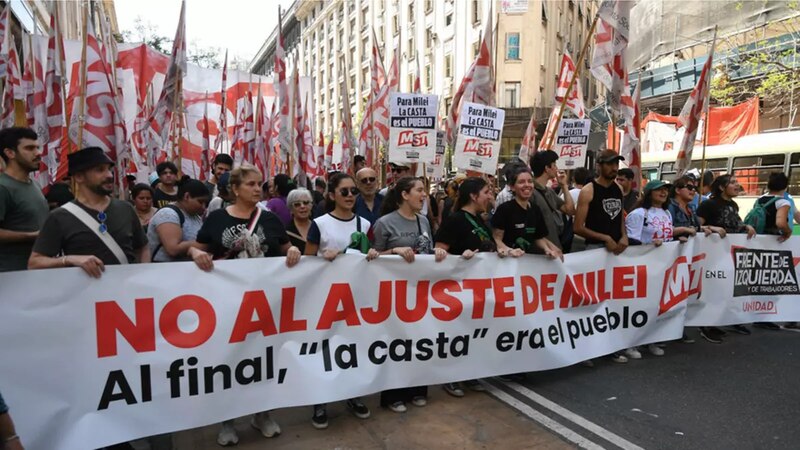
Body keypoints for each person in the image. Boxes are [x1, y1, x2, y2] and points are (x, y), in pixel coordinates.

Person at [188, 164, 300, 446]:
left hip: (265, 303)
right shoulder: (215, 219)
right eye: (250, 184)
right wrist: (193, 252)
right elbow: (199, 248)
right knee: (230, 360)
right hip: (227, 303)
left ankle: (262, 413)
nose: (256, 188)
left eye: (259, 183)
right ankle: (227, 420)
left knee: (264, 360)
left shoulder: (271, 219)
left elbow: (285, 247)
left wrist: (294, 250)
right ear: (235, 189)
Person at [304, 172, 375, 429]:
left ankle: (352, 395)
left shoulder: (365, 225)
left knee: (353, 349)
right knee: (324, 351)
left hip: (355, 299)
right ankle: (320, 402)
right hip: (325, 299)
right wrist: (323, 258)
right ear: (332, 195)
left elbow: (367, 257)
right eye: (343, 191)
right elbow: (306, 263)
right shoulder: (320, 224)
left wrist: (374, 254)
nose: (349, 196)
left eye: (353, 191)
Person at [372, 177, 447, 413]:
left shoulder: (423, 220)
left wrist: (437, 252)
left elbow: (425, 249)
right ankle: (394, 394)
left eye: (424, 191)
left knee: (420, 340)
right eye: (419, 190)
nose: (424, 195)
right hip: (394, 294)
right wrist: (393, 251)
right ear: (404, 195)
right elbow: (371, 257)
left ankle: (418, 389)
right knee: (396, 343)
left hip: (420, 293)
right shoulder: (385, 223)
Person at [29, 147, 150, 277]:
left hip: (125, 293)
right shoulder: (59, 216)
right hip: (84, 294)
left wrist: (143, 275)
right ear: (79, 177)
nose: (109, 175)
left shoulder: (126, 209)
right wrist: (69, 259)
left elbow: (142, 247)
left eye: (109, 169)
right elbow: (35, 263)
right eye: (100, 170)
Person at [435, 177, 496, 396]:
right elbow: (440, 251)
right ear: (473, 196)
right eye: (487, 192)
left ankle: (469, 373)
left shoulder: (480, 220)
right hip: (457, 289)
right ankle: (450, 377)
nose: (490, 196)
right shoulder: (456, 220)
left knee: (473, 332)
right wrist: (460, 258)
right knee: (455, 333)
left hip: (478, 288)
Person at [574, 149, 629, 363]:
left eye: (616, 164)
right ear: (599, 165)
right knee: (591, 302)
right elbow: (578, 227)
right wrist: (605, 237)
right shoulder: (588, 191)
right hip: (594, 252)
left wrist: (623, 236)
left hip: (616, 251)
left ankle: (610, 345)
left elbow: (619, 220)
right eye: (610, 164)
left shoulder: (618, 189)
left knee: (613, 300)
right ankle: (586, 348)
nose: (614, 168)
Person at [624, 180, 680, 358]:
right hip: (642, 267)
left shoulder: (667, 213)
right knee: (638, 305)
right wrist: (648, 244)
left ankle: (651, 340)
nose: (663, 193)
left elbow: (668, 236)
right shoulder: (639, 214)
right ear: (649, 193)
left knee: (656, 304)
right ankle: (630, 344)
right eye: (659, 190)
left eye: (666, 190)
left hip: (662, 266)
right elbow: (630, 241)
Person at [696, 174, 756, 338]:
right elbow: (696, 226)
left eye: (737, 182)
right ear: (722, 187)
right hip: (713, 255)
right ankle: (706, 325)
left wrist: (746, 226)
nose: (737, 186)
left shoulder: (734, 205)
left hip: (732, 254)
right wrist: (712, 228)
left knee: (728, 289)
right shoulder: (709, 204)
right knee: (713, 289)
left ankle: (726, 320)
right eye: (733, 183)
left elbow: (734, 224)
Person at [0, 127, 49, 272]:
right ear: (10, 153)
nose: (38, 153)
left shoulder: (34, 184)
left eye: (37, 148)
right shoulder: (3, 187)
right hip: (10, 274)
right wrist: (32, 235)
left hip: (37, 270)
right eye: (30, 148)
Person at [491, 167, 563, 259]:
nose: (527, 185)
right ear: (512, 187)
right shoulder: (504, 209)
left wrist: (548, 249)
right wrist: (509, 250)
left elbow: (538, 237)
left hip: (528, 264)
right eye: (521, 182)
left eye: (530, 181)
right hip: (508, 264)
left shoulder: (535, 209)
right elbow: (496, 239)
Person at [751, 172, 792, 331]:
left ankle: (756, 314)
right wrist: (787, 232)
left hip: (758, 242)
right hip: (773, 244)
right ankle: (764, 316)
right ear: (785, 186)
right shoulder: (782, 201)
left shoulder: (760, 200)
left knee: (759, 279)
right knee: (772, 280)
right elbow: (781, 223)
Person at [148, 178, 209, 262]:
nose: (203, 207)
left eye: (205, 203)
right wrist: (205, 244)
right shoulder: (168, 214)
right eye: (200, 202)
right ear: (186, 196)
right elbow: (173, 249)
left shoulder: (195, 216)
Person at [530, 150, 575, 252]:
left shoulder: (550, 192)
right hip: (540, 253)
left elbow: (570, 210)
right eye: (554, 165)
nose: (557, 168)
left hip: (555, 249)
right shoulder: (530, 193)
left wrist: (564, 186)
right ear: (547, 168)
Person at [286, 187, 314, 253]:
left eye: (306, 202)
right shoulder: (286, 232)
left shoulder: (319, 227)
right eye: (297, 204)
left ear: (311, 206)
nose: (302, 206)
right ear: (291, 209)